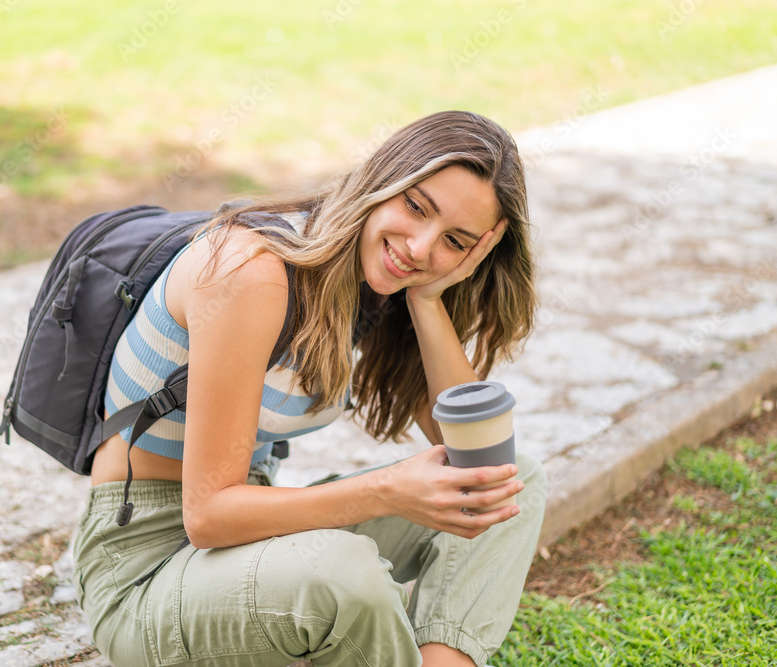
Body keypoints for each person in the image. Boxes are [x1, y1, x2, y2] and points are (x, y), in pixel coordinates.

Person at [72, 110, 547, 667]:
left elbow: (467, 449)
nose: (420, 247)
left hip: (245, 547)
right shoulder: (252, 272)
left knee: (506, 479)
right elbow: (208, 517)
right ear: (382, 178)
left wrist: (426, 297)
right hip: (142, 571)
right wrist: (388, 490)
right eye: (417, 207)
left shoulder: (374, 276)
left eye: (454, 240)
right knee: (345, 574)